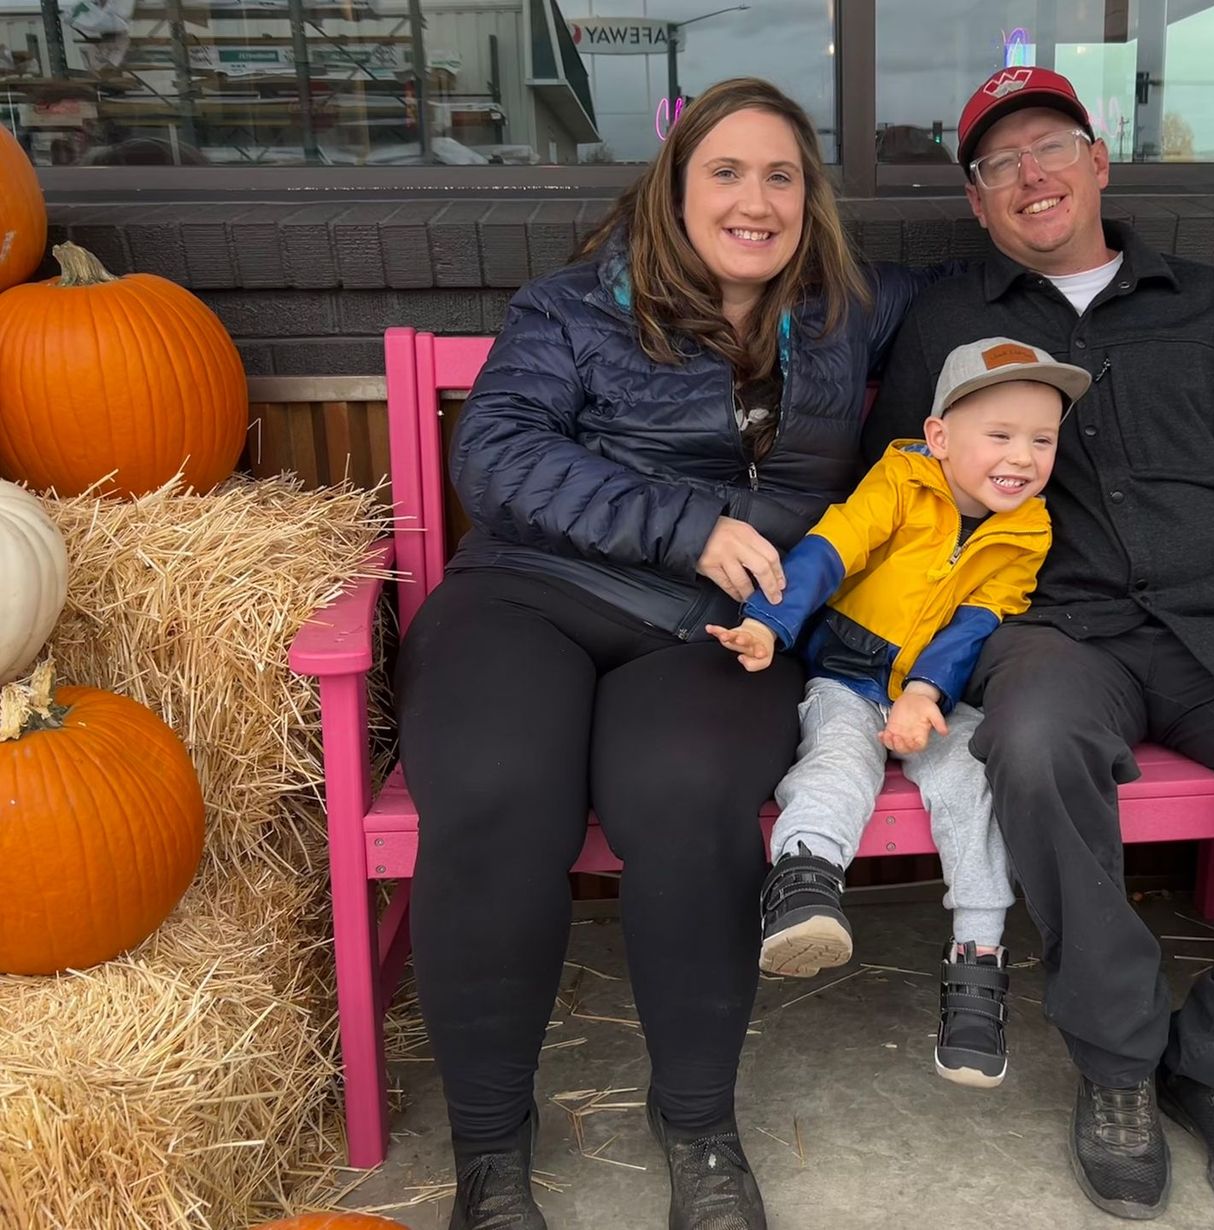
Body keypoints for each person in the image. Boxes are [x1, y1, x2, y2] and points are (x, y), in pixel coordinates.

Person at [865, 66, 1214, 1230]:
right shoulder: (950, 323)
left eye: (1049, 146)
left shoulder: (1206, 305)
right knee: (1030, 741)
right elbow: (899, 491)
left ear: (1096, 161)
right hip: (1055, 631)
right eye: (997, 165)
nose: (1029, 176)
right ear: (975, 203)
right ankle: (1115, 1062)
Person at [395, 77, 940, 1230]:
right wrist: (684, 523)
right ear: (674, 189)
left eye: (781, 175)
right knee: (497, 794)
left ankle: (697, 1128)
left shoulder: (851, 310)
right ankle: (491, 1157)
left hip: (712, 633)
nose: (755, 200)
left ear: (811, 199)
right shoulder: (575, 308)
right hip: (534, 594)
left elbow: (990, 300)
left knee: (686, 798)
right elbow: (492, 453)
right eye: (726, 173)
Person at [708, 337, 1086, 1088]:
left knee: (969, 778)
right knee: (836, 760)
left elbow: (980, 619)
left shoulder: (1029, 528)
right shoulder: (902, 481)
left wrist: (926, 694)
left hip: (929, 692)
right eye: (1001, 436)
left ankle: (978, 961)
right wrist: (767, 623)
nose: (1023, 457)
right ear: (941, 438)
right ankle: (805, 884)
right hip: (846, 675)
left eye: (1042, 440)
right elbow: (830, 550)